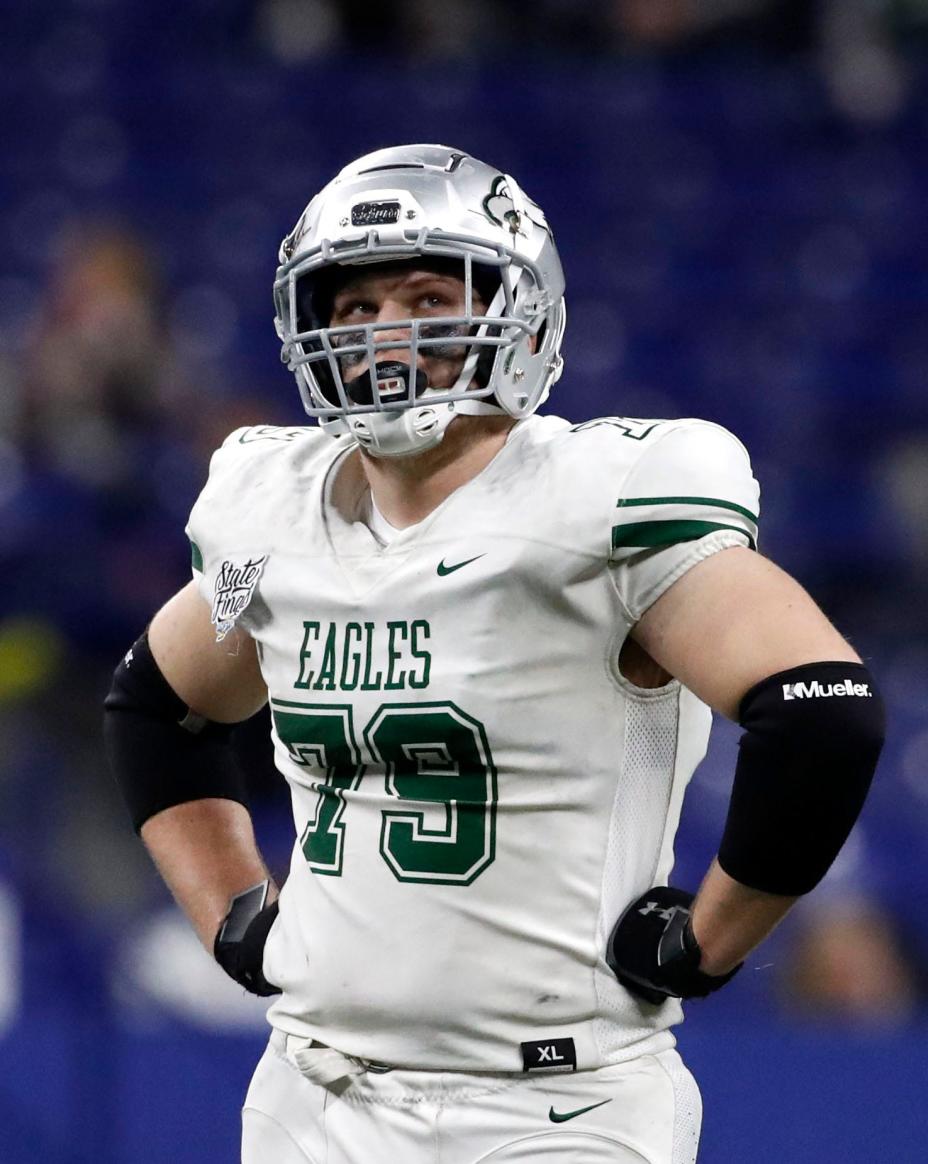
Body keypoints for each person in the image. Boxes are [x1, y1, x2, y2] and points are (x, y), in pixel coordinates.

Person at [104, 144, 885, 1163]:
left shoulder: (593, 501)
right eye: (356, 307)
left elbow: (822, 709)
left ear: (520, 313)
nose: (388, 331)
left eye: (428, 294)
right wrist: (234, 920)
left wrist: (706, 945)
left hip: (554, 1110)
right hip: (316, 1092)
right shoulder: (276, 513)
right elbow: (157, 711)